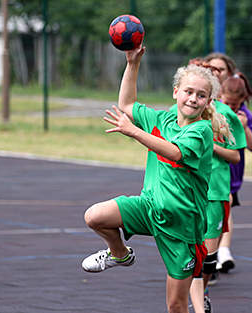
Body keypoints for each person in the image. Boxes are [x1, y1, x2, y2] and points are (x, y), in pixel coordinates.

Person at [81, 45, 229, 313]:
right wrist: (132, 63)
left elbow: (174, 152)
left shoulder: (202, 131)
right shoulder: (164, 119)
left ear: (208, 102)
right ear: (176, 92)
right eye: (188, 91)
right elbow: (126, 104)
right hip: (149, 207)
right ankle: (119, 254)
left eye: (201, 95)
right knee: (94, 216)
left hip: (182, 226)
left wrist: (134, 131)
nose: (193, 98)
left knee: (175, 305)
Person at [170, 59, 247, 313]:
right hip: (186, 194)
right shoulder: (183, 110)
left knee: (208, 261)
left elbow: (236, 155)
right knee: (190, 257)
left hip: (215, 193)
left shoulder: (226, 117)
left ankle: (200, 293)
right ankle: (195, 306)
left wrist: (209, 144)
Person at [214, 71, 252, 276]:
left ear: (243, 100)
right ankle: (217, 254)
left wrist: (242, 127)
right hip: (212, 174)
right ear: (219, 96)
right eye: (228, 103)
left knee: (222, 212)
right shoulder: (213, 111)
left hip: (231, 177)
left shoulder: (244, 116)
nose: (231, 108)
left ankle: (218, 254)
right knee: (216, 214)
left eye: (235, 105)